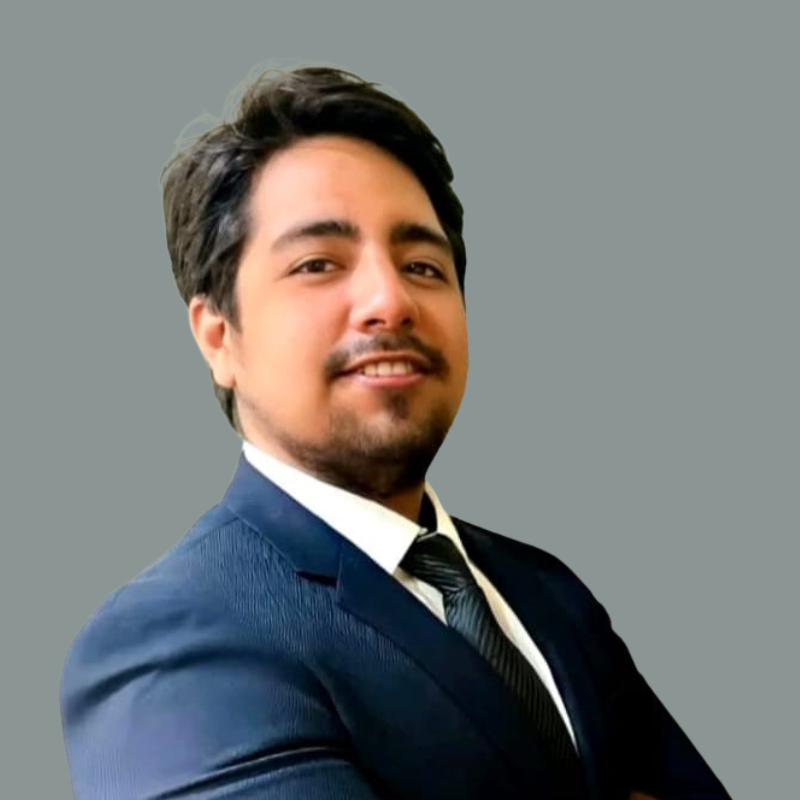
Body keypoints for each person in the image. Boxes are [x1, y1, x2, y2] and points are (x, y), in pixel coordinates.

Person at [59, 66, 731, 800]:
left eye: (422, 265)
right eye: (318, 264)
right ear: (219, 336)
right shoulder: (172, 643)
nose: (391, 299)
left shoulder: (547, 590)